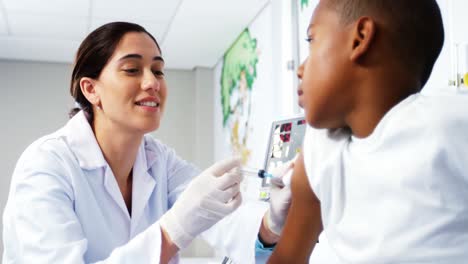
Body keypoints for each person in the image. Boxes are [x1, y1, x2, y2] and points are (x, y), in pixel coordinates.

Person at [2, 22, 292, 263]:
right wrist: (172, 231)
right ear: (91, 89)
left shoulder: (159, 160)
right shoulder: (47, 165)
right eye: (132, 70)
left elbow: (222, 222)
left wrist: (271, 224)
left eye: (158, 70)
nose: (152, 82)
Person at [268, 0, 468, 263]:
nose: (300, 69)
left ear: (360, 38)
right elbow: (287, 258)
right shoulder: (320, 151)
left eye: (312, 40)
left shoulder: (449, 122)